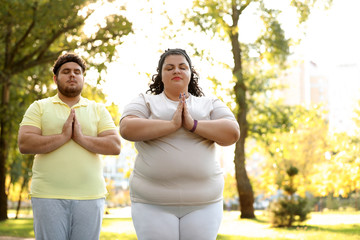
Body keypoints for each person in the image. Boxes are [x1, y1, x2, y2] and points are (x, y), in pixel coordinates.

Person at [120, 48, 240, 240]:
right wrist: (172, 125)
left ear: (191, 73)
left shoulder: (209, 103)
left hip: (204, 204)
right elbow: (127, 128)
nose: (176, 71)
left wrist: (193, 124)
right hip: (152, 204)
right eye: (169, 68)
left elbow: (232, 133)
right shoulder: (146, 101)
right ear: (161, 75)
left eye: (182, 67)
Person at [18, 53, 121, 240]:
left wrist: (80, 138)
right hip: (48, 196)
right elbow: (25, 143)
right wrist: (64, 136)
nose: (72, 75)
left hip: (90, 196)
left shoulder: (98, 109)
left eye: (77, 72)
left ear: (83, 78)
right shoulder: (39, 107)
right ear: (55, 78)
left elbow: (114, 145)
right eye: (66, 71)